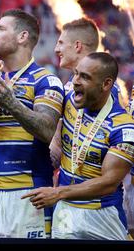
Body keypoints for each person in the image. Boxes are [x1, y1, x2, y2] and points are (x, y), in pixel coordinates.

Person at [0, 9, 64, 238]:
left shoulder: (45, 80)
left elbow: (45, 130)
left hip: (29, 193)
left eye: (1, 29)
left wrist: (11, 103)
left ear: (22, 37)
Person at [23, 53, 134, 240]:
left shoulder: (124, 127)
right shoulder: (67, 99)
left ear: (106, 84)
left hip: (103, 214)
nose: (75, 81)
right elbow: (42, 122)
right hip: (66, 211)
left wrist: (58, 192)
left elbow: (108, 183)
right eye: (76, 74)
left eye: (85, 77)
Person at [50, 18, 125, 169]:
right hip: (68, 185)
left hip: (96, 187)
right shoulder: (70, 86)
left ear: (77, 46)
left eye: (61, 43)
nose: (56, 49)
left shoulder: (108, 91)